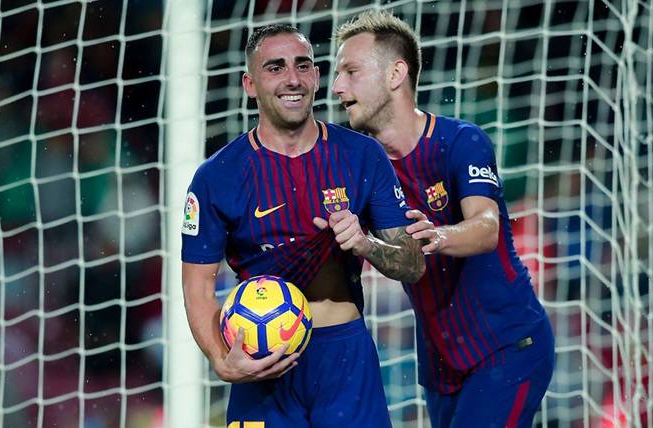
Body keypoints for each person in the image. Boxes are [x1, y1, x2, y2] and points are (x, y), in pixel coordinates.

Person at [180, 23, 425, 427]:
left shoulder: (362, 156)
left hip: (343, 360)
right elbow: (197, 285)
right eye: (274, 68)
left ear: (315, 75)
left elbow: (413, 265)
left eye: (302, 65)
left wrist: (364, 244)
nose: (292, 78)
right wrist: (222, 363)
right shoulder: (217, 176)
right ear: (250, 84)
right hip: (260, 365)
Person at [333, 11, 555, 428]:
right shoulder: (361, 167)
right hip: (442, 365)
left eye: (350, 71)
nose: (337, 86)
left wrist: (440, 234)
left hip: (507, 346)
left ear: (396, 73)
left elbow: (486, 227)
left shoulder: (460, 142)